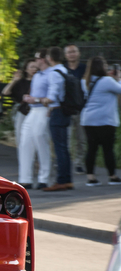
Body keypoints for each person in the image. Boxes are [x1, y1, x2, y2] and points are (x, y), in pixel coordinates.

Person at [80, 56, 121, 186]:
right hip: (105, 120)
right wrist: (118, 78)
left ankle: (91, 178)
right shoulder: (107, 81)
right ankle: (112, 176)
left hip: (88, 119)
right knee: (107, 149)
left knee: (91, 149)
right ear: (102, 67)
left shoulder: (85, 81)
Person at [41, 46, 73, 192]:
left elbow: (52, 96)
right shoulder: (64, 70)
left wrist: (43, 100)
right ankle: (67, 179)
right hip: (65, 111)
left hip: (57, 112)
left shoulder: (54, 73)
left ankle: (61, 181)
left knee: (59, 148)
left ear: (49, 58)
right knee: (64, 147)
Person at [19, 49, 52, 190]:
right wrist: (28, 98)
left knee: (40, 139)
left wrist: (35, 99)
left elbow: (52, 97)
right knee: (25, 141)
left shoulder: (52, 74)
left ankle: (44, 178)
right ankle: (25, 178)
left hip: (44, 109)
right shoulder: (37, 76)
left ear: (43, 59)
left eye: (37, 58)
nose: (35, 61)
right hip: (33, 110)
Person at [2, 59, 38, 148]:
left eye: (36, 67)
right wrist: (14, 80)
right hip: (23, 112)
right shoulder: (21, 82)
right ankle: (23, 158)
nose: (34, 69)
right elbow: (5, 92)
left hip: (37, 112)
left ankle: (35, 159)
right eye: (32, 67)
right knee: (20, 136)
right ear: (26, 69)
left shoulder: (40, 81)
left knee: (36, 137)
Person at [64, 44, 88, 174]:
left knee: (81, 138)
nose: (72, 54)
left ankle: (79, 163)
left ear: (78, 53)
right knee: (66, 139)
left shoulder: (84, 69)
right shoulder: (63, 69)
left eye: (74, 51)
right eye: (69, 52)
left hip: (81, 108)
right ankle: (65, 163)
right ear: (65, 55)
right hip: (66, 109)